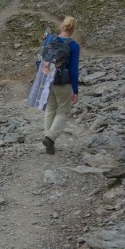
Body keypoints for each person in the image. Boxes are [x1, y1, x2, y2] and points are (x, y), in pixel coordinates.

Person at [42, 16, 81, 155]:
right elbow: (73, 69)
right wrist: (75, 90)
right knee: (63, 111)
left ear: (62, 26)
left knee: (50, 109)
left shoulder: (50, 39)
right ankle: (50, 137)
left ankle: (49, 142)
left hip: (48, 79)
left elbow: (43, 58)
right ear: (73, 28)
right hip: (63, 82)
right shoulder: (74, 46)